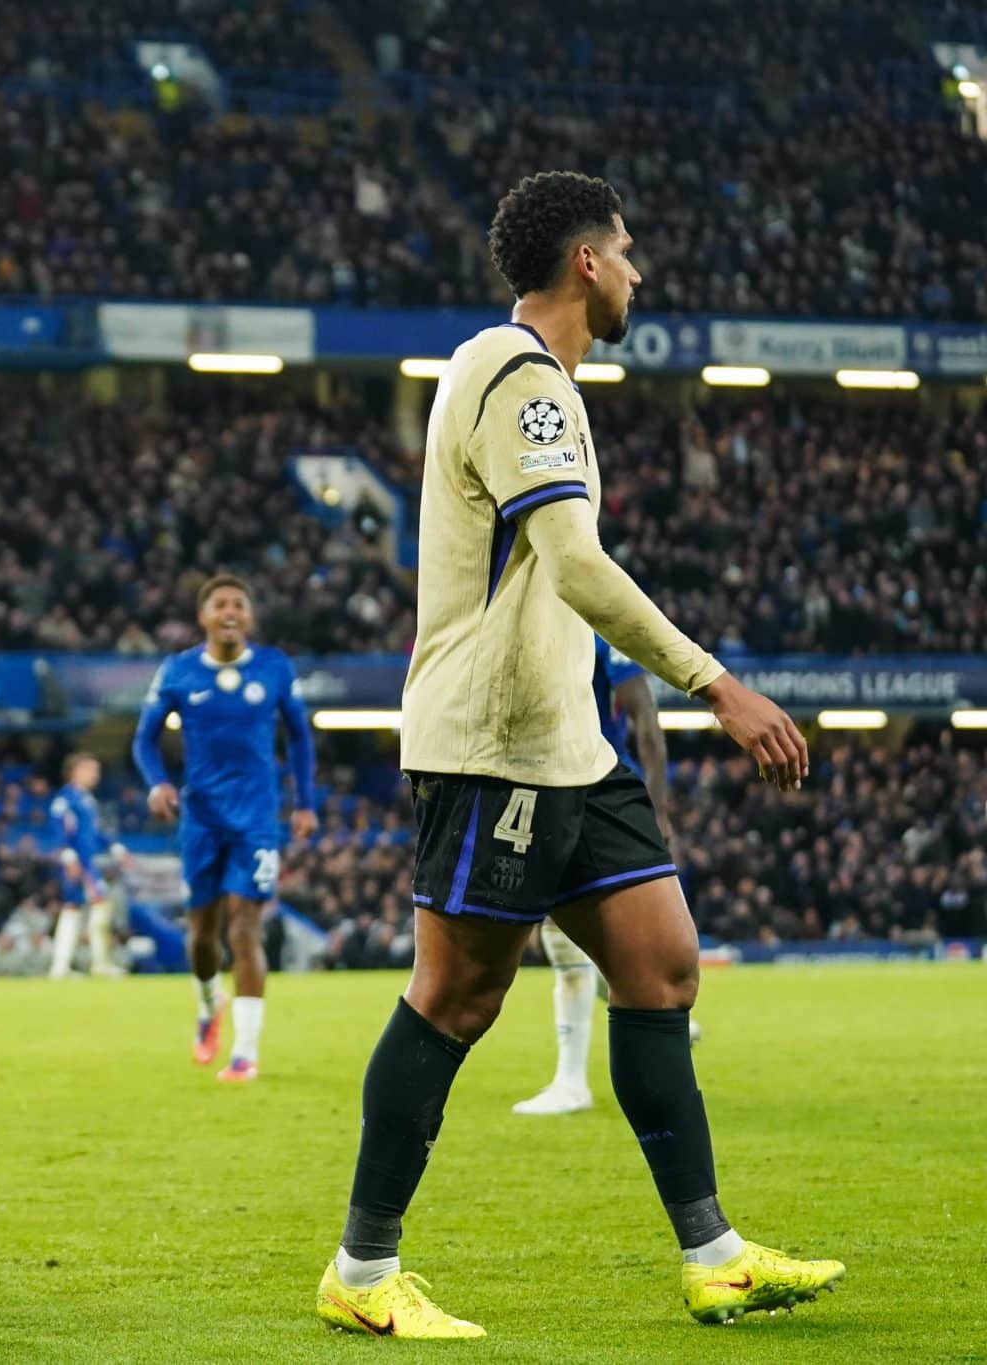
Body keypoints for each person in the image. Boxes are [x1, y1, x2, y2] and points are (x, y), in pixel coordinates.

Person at [313, 171, 841, 1339]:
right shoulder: (515, 378)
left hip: (569, 744)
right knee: (455, 998)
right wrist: (716, 684)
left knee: (659, 969)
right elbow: (575, 565)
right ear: (585, 263)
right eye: (626, 252)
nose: (637, 274)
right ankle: (360, 1271)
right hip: (492, 744)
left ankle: (712, 1255)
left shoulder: (534, 381)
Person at [132, 575, 318, 1083]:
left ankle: (245, 1053)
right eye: (220, 604)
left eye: (239, 603)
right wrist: (157, 784)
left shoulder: (274, 667)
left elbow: (300, 738)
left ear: (249, 617)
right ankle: (208, 1001)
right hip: (201, 819)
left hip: (257, 820)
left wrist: (305, 803)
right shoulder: (179, 671)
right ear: (204, 617)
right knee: (201, 936)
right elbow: (144, 740)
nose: (230, 611)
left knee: (244, 927)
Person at [515, 635, 695, 1116]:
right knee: (578, 937)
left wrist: (658, 809)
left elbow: (644, 713)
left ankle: (572, 1081)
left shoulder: (596, 624)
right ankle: (657, 1005)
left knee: (563, 938)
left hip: (594, 790)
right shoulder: (535, 619)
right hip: (550, 784)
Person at [47, 753, 120, 978]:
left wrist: (115, 847)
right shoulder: (66, 799)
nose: (95, 775)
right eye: (90, 770)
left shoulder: (86, 799)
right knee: (98, 904)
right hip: (80, 863)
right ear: (74, 772)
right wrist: (69, 857)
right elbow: (60, 829)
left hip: (86, 861)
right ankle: (98, 963)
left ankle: (62, 966)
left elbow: (93, 832)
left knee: (75, 909)